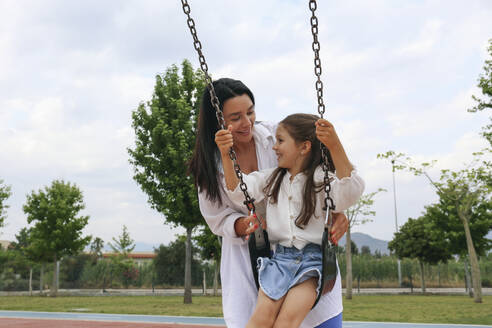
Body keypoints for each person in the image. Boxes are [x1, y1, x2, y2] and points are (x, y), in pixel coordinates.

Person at [188, 78, 351, 328]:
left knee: (309, 318)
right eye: (235, 117)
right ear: (218, 121)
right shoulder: (209, 164)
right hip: (249, 255)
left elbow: (320, 173)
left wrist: (337, 211)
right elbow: (217, 217)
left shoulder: (277, 135)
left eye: (250, 112)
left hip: (304, 246)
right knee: (257, 320)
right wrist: (243, 224)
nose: (247, 123)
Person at [215, 113, 364, 328]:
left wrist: (335, 145)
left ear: (304, 147)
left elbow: (350, 191)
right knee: (259, 320)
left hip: (313, 264)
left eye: (281, 141)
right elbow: (240, 191)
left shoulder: (322, 179)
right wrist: (226, 155)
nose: (274, 147)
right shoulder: (272, 178)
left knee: (286, 322)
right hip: (279, 261)